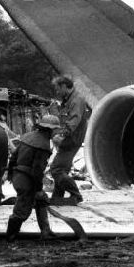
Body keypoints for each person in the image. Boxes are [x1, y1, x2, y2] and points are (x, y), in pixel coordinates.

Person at [6, 114, 60, 241]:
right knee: (22, 210)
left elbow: (14, 157)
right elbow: (37, 170)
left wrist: (10, 173)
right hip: (27, 180)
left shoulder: (28, 137)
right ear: (50, 130)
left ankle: (46, 232)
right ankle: (10, 236)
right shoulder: (43, 145)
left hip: (18, 175)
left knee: (41, 200)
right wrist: (38, 187)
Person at [49, 75, 90, 205]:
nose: (57, 91)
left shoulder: (76, 100)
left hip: (71, 140)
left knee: (56, 169)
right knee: (63, 169)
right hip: (70, 139)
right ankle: (57, 196)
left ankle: (76, 195)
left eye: (57, 88)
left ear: (64, 86)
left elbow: (73, 121)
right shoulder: (69, 99)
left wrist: (61, 135)